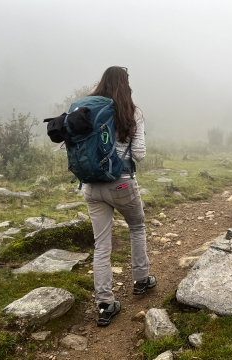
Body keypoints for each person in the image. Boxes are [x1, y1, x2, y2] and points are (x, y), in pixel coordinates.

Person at [84, 66, 156, 327]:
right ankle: (141, 280)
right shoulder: (132, 112)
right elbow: (139, 155)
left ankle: (104, 304)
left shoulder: (87, 110)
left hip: (91, 187)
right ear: (125, 85)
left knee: (102, 245)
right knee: (136, 227)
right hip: (122, 184)